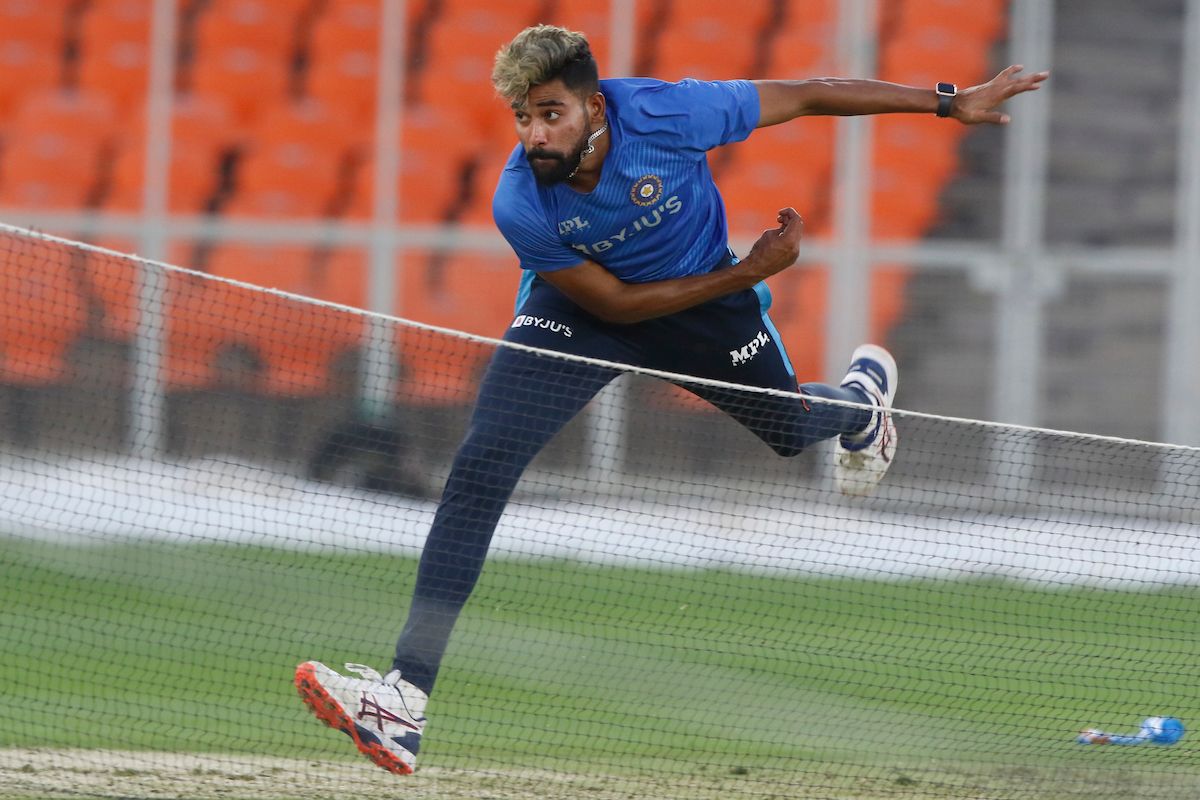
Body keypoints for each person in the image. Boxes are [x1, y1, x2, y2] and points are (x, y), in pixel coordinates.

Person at [294, 25, 1049, 775]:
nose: (534, 135)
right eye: (522, 118)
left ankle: (860, 408)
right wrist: (750, 270)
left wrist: (949, 102)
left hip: (701, 312)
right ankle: (403, 701)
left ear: (594, 106)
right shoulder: (520, 200)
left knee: (789, 429)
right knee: (481, 467)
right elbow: (619, 309)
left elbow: (811, 92)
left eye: (549, 113)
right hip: (582, 313)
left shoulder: (666, 113)